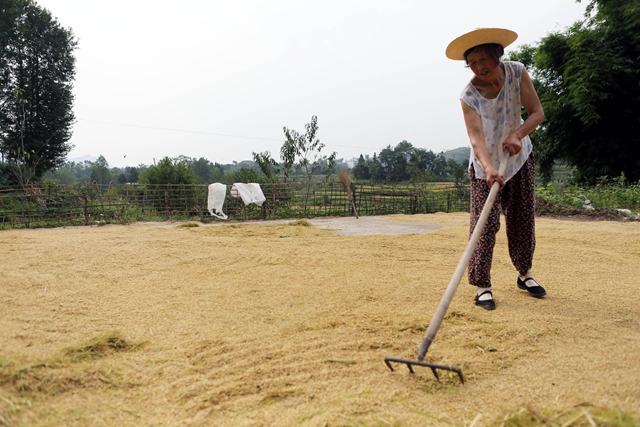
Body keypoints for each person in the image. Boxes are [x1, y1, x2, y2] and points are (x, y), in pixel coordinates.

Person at [445, 28, 546, 310]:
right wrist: (489, 169)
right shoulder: (469, 95)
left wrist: (518, 134)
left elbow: (537, 112)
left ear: (497, 54)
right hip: (485, 167)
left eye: (483, 60)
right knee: (484, 225)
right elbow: (475, 138)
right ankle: (482, 286)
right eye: (472, 63)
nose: (478, 68)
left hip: (519, 158)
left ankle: (524, 274)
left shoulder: (516, 72)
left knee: (522, 219)